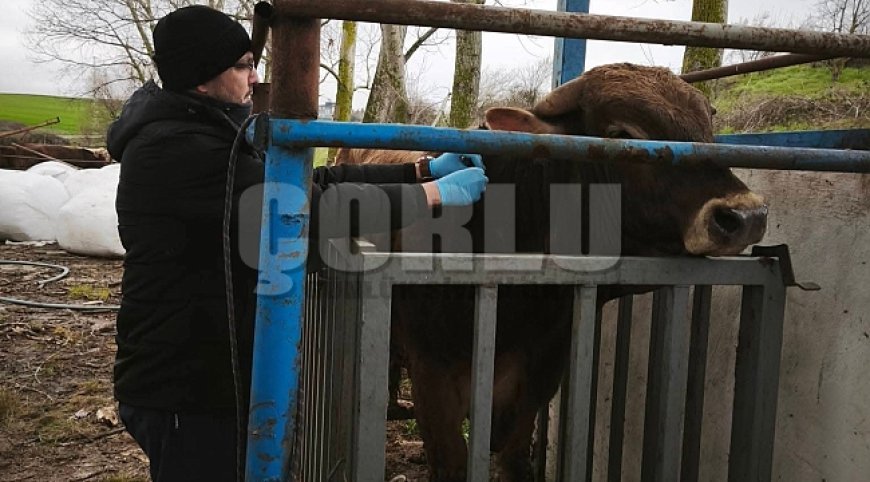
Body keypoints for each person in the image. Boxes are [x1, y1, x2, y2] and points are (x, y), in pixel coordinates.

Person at [106, 5, 487, 481]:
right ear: (203, 78)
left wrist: (422, 170)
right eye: (243, 65)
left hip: (208, 371)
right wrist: (432, 198)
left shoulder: (208, 131)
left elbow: (313, 178)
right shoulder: (177, 149)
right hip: (187, 385)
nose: (255, 76)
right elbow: (304, 204)